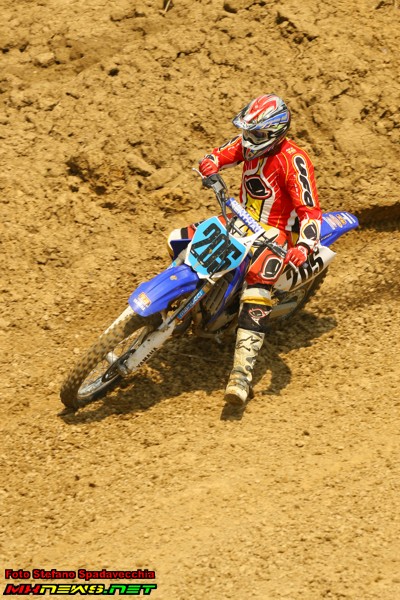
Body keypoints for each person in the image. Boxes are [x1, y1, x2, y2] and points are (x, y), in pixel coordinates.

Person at [171, 94, 322, 407]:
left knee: (257, 286)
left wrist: (305, 245)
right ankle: (184, 303)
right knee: (178, 240)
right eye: (247, 132)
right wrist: (210, 165)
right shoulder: (249, 143)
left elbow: (310, 211)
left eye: (255, 134)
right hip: (239, 217)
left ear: (272, 133)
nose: (248, 139)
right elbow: (219, 155)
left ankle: (241, 374)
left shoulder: (293, 161)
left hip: (276, 233)